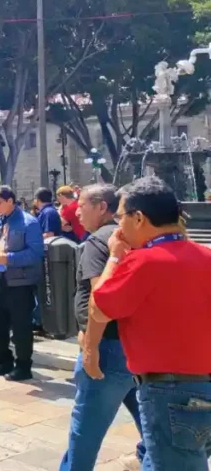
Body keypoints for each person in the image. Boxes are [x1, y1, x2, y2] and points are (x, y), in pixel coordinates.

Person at [89, 176, 211, 470]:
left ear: (139, 217)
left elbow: (99, 308)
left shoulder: (144, 261)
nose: (118, 227)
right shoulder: (205, 256)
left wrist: (114, 258)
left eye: (121, 217)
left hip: (168, 389)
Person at [59, 183, 144, 471]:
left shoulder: (99, 242)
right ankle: (150, 458)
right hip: (133, 347)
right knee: (148, 419)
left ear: (102, 207)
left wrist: (91, 345)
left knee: (85, 431)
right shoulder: (134, 238)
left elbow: (103, 301)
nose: (75, 211)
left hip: (107, 348)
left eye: (81, 205)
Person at [0, 185, 44, 381]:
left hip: (21, 283)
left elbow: (35, 254)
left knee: (21, 326)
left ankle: (23, 366)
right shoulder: (1, 221)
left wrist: (7, 258)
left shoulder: (29, 222)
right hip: (1, 279)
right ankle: (3, 361)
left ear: (10, 201)